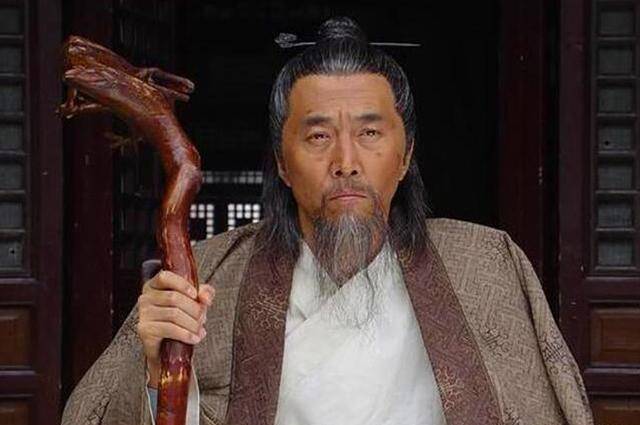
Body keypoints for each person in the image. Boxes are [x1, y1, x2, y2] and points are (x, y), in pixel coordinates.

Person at [61, 16, 593, 425]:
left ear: (405, 156)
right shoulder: (209, 277)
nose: (346, 161)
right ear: (282, 163)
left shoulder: (486, 266)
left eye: (370, 133)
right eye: (318, 136)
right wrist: (157, 374)